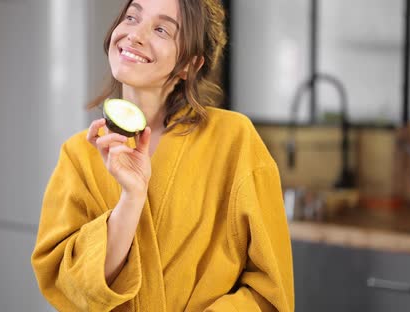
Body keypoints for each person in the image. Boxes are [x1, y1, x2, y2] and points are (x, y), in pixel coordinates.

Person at [31, 0, 294, 310]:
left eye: (160, 29)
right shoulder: (78, 155)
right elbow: (69, 284)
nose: (134, 35)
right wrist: (131, 198)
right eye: (131, 17)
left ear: (189, 65)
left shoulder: (234, 140)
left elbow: (271, 289)